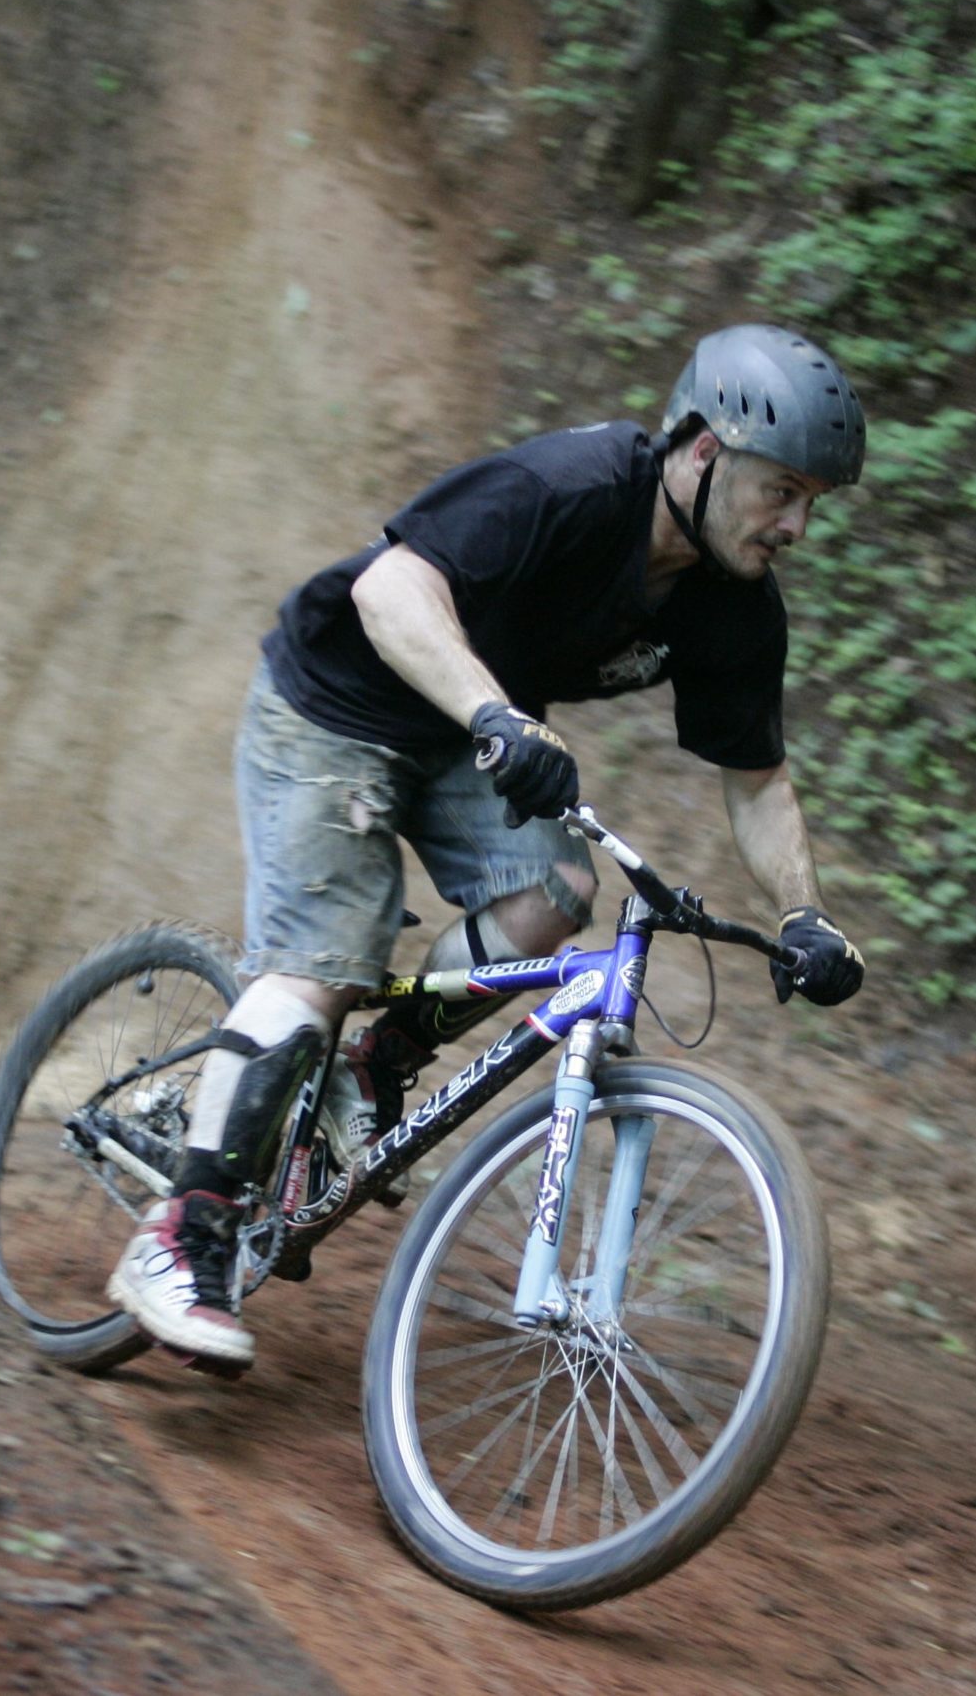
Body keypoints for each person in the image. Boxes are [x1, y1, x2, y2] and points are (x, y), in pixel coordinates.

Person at [108, 323, 870, 1370]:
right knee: (326, 959)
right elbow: (388, 590)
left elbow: (758, 780)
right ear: (701, 452)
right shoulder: (570, 485)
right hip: (334, 706)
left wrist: (804, 916)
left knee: (556, 895)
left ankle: (377, 1066)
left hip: (468, 734)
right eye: (780, 492)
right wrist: (495, 717)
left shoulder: (732, 607)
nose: (796, 525)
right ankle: (178, 1238)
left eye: (811, 505)